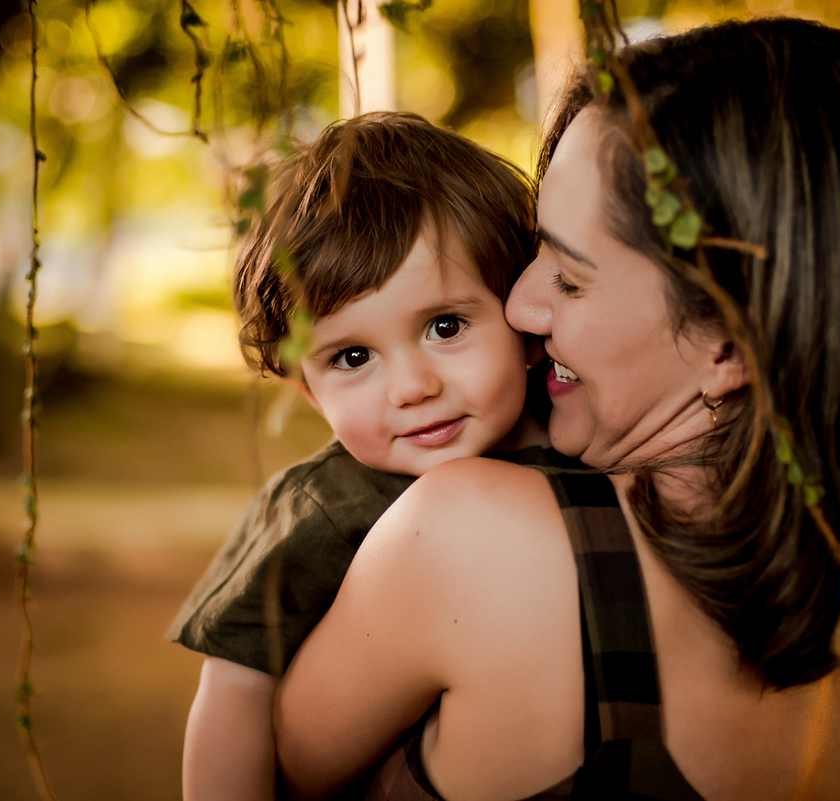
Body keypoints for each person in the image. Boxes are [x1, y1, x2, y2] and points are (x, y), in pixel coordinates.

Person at [275, 18, 840, 801]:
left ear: (730, 344)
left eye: (570, 276)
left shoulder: (478, 537)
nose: (519, 304)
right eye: (535, 251)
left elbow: (276, 769)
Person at [168, 111, 560, 801]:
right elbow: (231, 696)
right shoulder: (324, 505)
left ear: (524, 322)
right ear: (310, 392)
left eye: (446, 326)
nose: (412, 387)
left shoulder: (586, 443)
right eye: (352, 357)